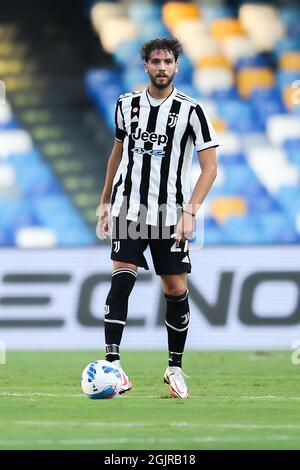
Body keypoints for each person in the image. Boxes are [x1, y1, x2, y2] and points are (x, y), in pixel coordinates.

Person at [97, 37, 219, 398]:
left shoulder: (191, 110)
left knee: (175, 289)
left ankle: (175, 368)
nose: (162, 67)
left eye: (168, 61)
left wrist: (190, 213)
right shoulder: (126, 105)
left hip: (171, 215)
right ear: (146, 66)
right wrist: (105, 203)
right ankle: (113, 366)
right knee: (122, 279)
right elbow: (115, 155)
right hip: (128, 208)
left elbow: (210, 168)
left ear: (177, 66)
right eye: (155, 61)